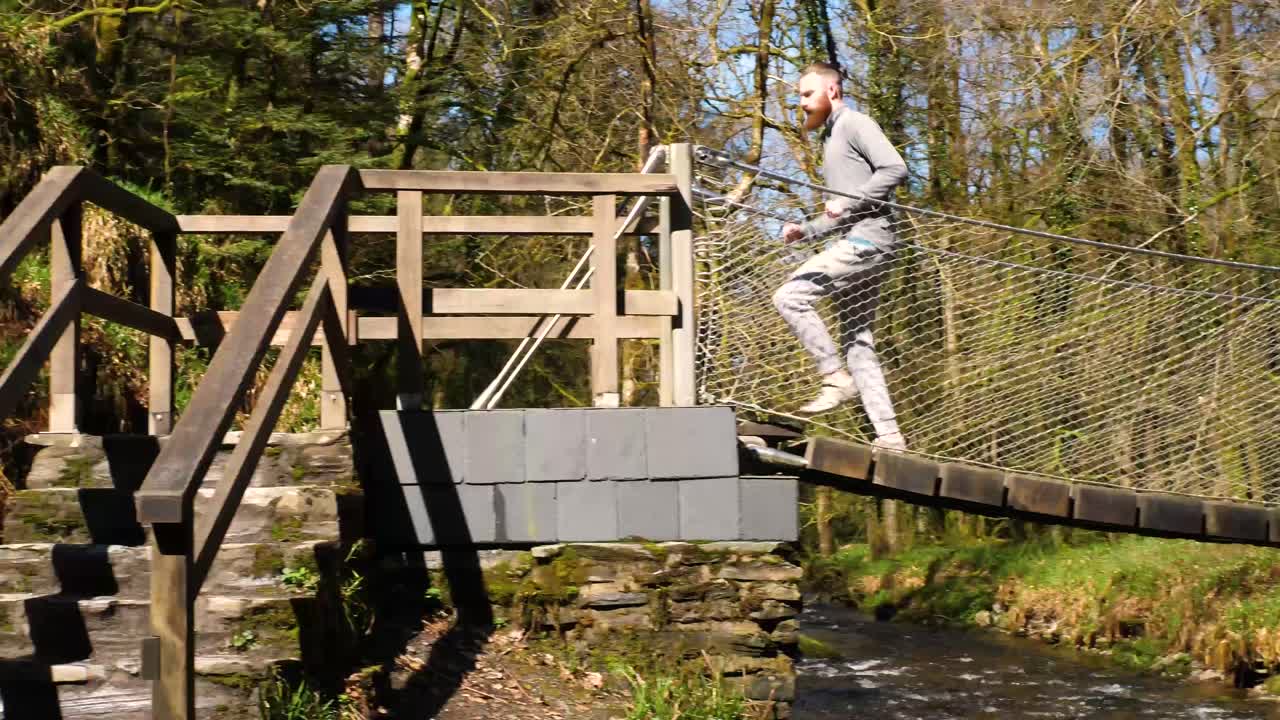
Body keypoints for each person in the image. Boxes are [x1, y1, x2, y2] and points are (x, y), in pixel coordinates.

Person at [771, 62, 908, 451]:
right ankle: (890, 435)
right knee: (857, 342)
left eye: (807, 94)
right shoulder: (831, 138)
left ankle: (833, 377)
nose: (801, 104)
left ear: (832, 91)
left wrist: (846, 206)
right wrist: (808, 230)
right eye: (799, 96)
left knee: (790, 296)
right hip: (863, 242)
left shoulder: (854, 124)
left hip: (867, 243)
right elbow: (842, 211)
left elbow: (895, 168)